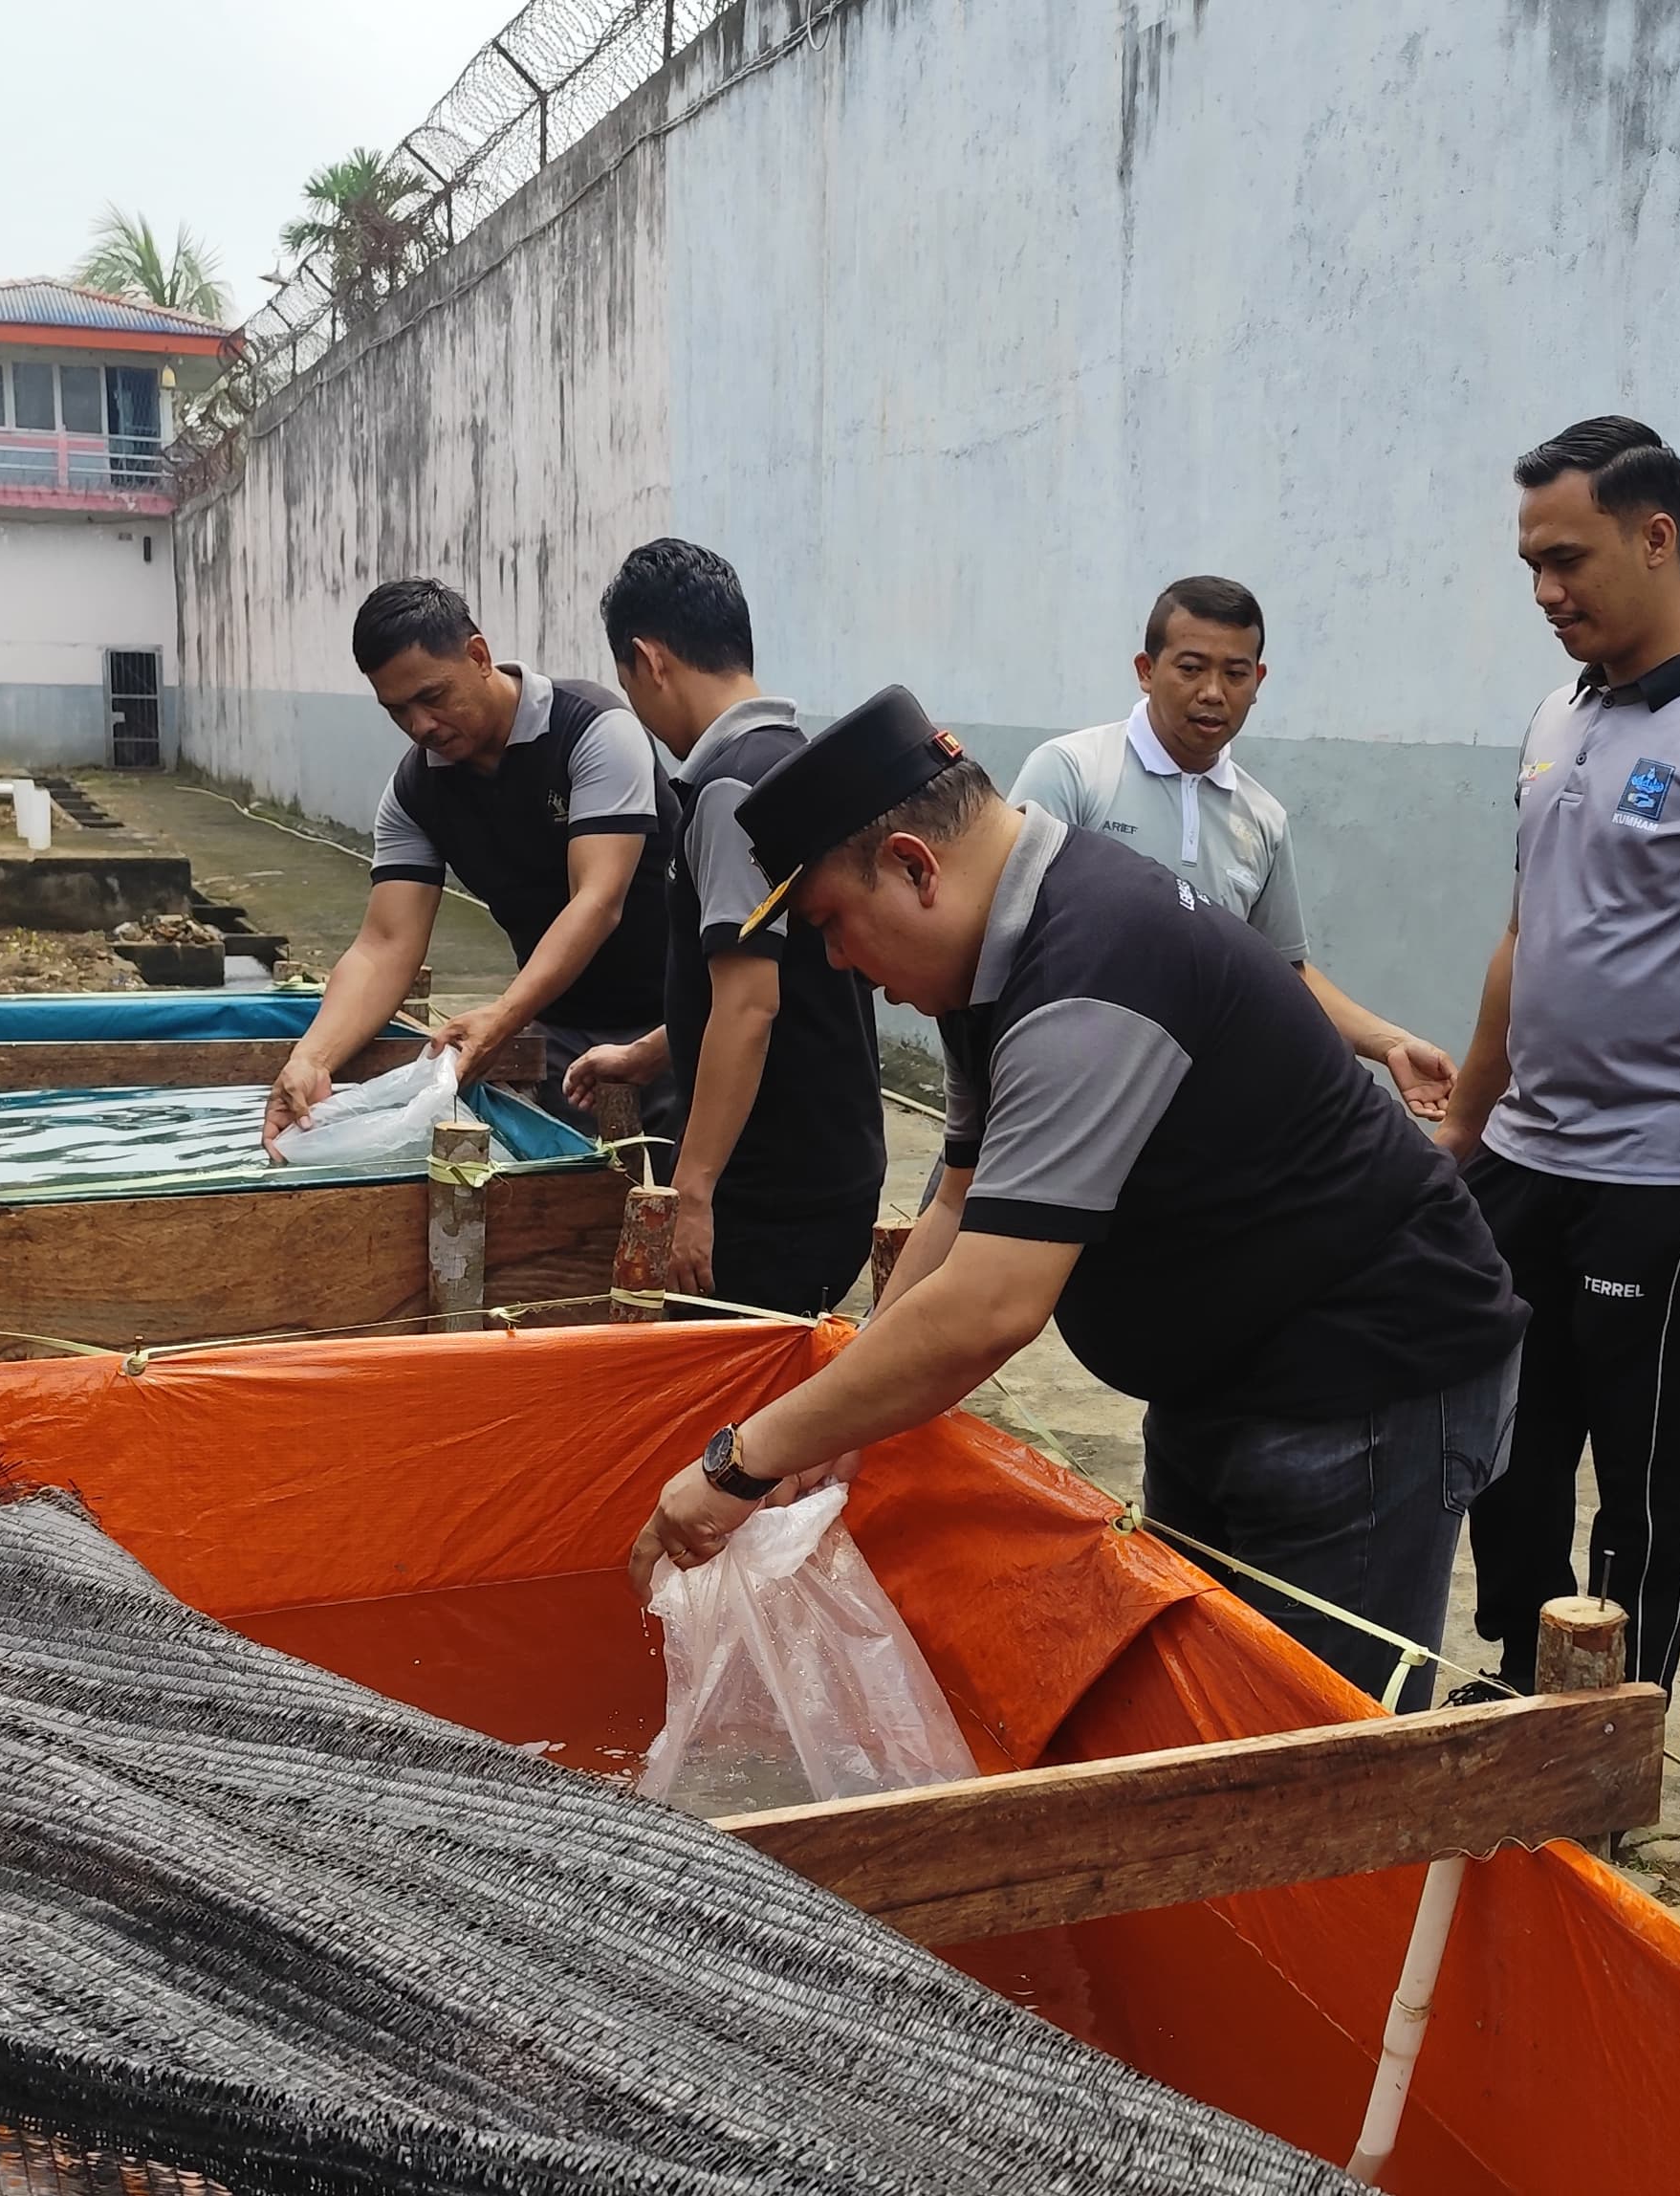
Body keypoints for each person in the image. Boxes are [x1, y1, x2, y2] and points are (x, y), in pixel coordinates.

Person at [628, 687, 1527, 1705]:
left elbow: (994, 1305)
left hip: (1364, 1377)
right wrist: (833, 1424)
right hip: (1220, 1369)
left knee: (1310, 1736)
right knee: (1200, 1697)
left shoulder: (1097, 963)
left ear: (914, 867)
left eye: (833, 923)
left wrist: (740, 1462)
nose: (838, 962)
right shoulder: (993, 962)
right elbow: (958, 1208)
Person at [1429, 416, 1680, 1702]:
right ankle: (1513, 1676)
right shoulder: (1559, 712)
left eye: (1570, 560)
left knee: (1642, 1478)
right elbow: (1521, 939)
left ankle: (1614, 1729)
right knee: (1508, 1451)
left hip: (1661, 1191)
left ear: (1657, 538)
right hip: (1524, 1163)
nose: (1547, 594)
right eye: (1531, 567)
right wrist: (1464, 1135)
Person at [557, 539, 886, 1317]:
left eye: (627, 683)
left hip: (770, 1191)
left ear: (649, 661)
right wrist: (646, 1053)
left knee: (734, 1414)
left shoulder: (727, 788)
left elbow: (750, 1005)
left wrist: (693, 1193)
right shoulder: (792, 759)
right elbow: (780, 971)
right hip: (833, 1164)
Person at [262, 577, 683, 1157]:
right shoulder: (415, 792)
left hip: (674, 1024)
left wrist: (504, 1015)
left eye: (432, 697)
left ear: (478, 656)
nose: (420, 726)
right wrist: (311, 1058)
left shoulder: (594, 732)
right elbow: (384, 945)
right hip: (552, 1029)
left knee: (684, 1211)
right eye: (397, 710)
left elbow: (597, 900)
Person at [1009, 576, 1455, 1115]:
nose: (1213, 692)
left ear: (1258, 679)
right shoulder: (1072, 772)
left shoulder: (1262, 818)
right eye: (1191, 668)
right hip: (1062, 1099)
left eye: (1235, 673)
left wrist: (1390, 1043)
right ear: (1147, 672)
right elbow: (1003, 937)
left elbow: (1282, 973)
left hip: (1193, 1116)